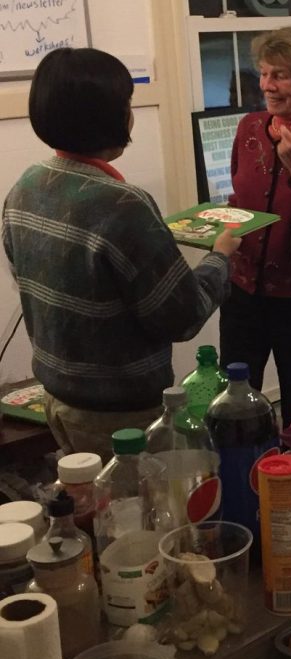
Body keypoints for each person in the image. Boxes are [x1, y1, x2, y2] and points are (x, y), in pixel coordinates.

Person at [2, 48, 240, 460]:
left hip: (57, 401)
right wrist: (220, 257)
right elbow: (182, 317)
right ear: (111, 116)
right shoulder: (123, 203)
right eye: (126, 103)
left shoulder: (26, 185)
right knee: (142, 517)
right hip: (120, 417)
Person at [219, 26, 291, 427]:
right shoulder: (249, 128)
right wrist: (218, 229)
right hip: (242, 296)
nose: (267, 85)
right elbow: (239, 200)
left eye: (280, 75)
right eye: (264, 73)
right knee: (234, 404)